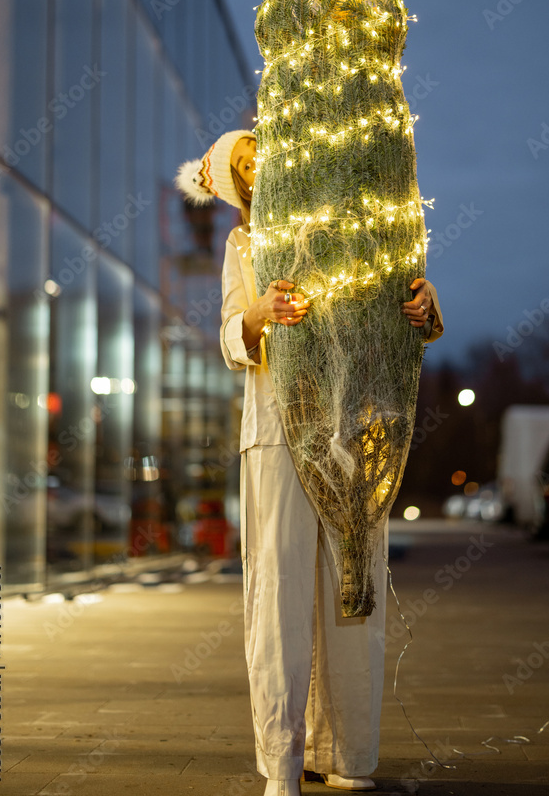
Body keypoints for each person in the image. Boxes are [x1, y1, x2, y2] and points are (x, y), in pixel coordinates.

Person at [176, 130, 443, 795]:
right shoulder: (244, 246)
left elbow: (392, 311)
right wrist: (260, 315)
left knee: (355, 588)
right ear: (236, 189)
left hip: (355, 431)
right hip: (275, 429)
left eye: (260, 150)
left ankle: (348, 753)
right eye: (242, 166)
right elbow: (228, 334)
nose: (257, 164)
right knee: (280, 593)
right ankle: (282, 762)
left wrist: (425, 312)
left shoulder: (348, 227)